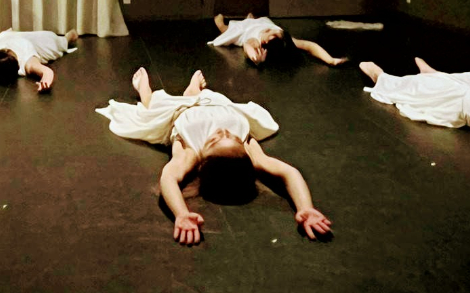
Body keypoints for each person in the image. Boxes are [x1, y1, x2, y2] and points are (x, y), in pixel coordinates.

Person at [97, 67, 333, 245]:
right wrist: (306, 207)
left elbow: (168, 178)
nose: (221, 132)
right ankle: (194, 90)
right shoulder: (249, 152)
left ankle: (144, 91)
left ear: (203, 162)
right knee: (199, 94)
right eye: (230, 136)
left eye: (214, 140)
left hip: (179, 111)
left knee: (154, 107)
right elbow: (289, 172)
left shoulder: (190, 153)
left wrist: (181, 213)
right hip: (219, 104)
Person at [209, 14, 346, 67]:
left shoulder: (255, 40)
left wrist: (255, 58)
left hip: (245, 29)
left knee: (227, 30)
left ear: (264, 43)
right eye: (278, 32)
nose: (273, 30)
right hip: (260, 22)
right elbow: (309, 45)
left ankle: (220, 22)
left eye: (270, 33)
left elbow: (247, 46)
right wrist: (330, 59)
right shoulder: (282, 37)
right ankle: (250, 18)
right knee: (253, 19)